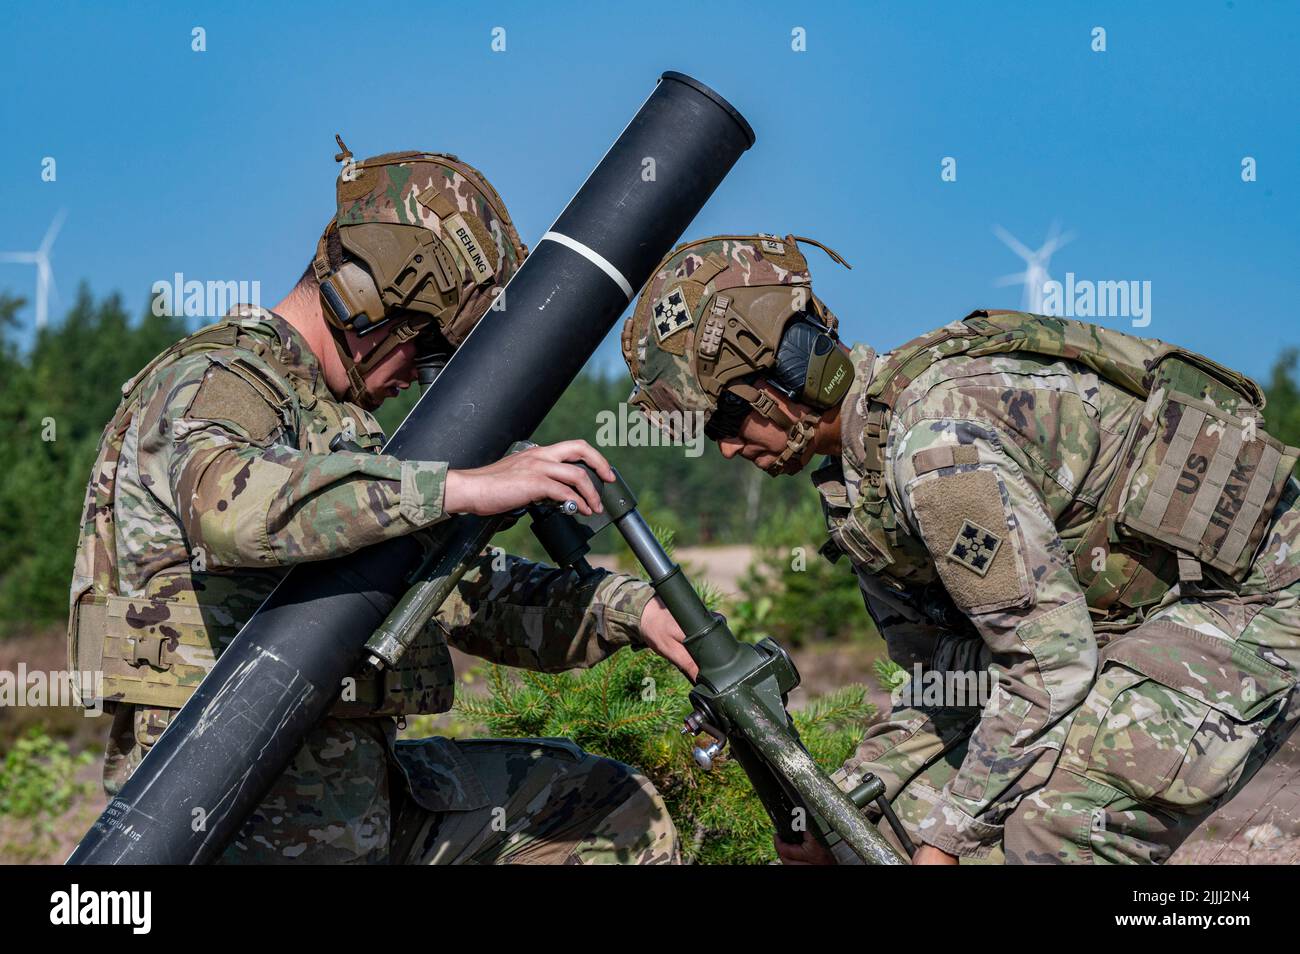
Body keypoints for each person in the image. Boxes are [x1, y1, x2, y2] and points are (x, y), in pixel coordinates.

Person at [68, 144, 694, 864]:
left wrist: (632, 611)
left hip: (359, 803)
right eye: (427, 352)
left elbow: (464, 598)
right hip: (237, 822)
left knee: (598, 803)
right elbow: (231, 510)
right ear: (368, 305)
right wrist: (459, 486)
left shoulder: (338, 424)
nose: (423, 381)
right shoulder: (215, 380)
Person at [620, 232, 1300, 864]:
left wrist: (947, 839)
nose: (732, 448)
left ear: (792, 371)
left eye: (729, 420)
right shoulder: (860, 485)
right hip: (1123, 621)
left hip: (1256, 597)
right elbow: (944, 683)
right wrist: (841, 801)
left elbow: (1049, 667)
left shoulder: (937, 453)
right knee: (862, 826)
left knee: (1059, 827)